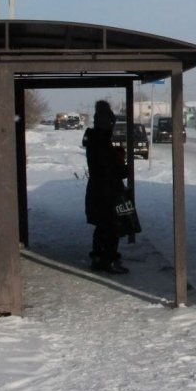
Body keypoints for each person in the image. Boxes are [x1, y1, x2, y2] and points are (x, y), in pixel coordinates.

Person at [83, 100, 129, 273]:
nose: (112, 127)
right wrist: (123, 165)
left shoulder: (94, 140)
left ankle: (99, 256)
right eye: (111, 123)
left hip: (98, 189)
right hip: (107, 191)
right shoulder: (102, 142)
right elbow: (113, 169)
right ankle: (108, 259)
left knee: (103, 225)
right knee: (111, 225)